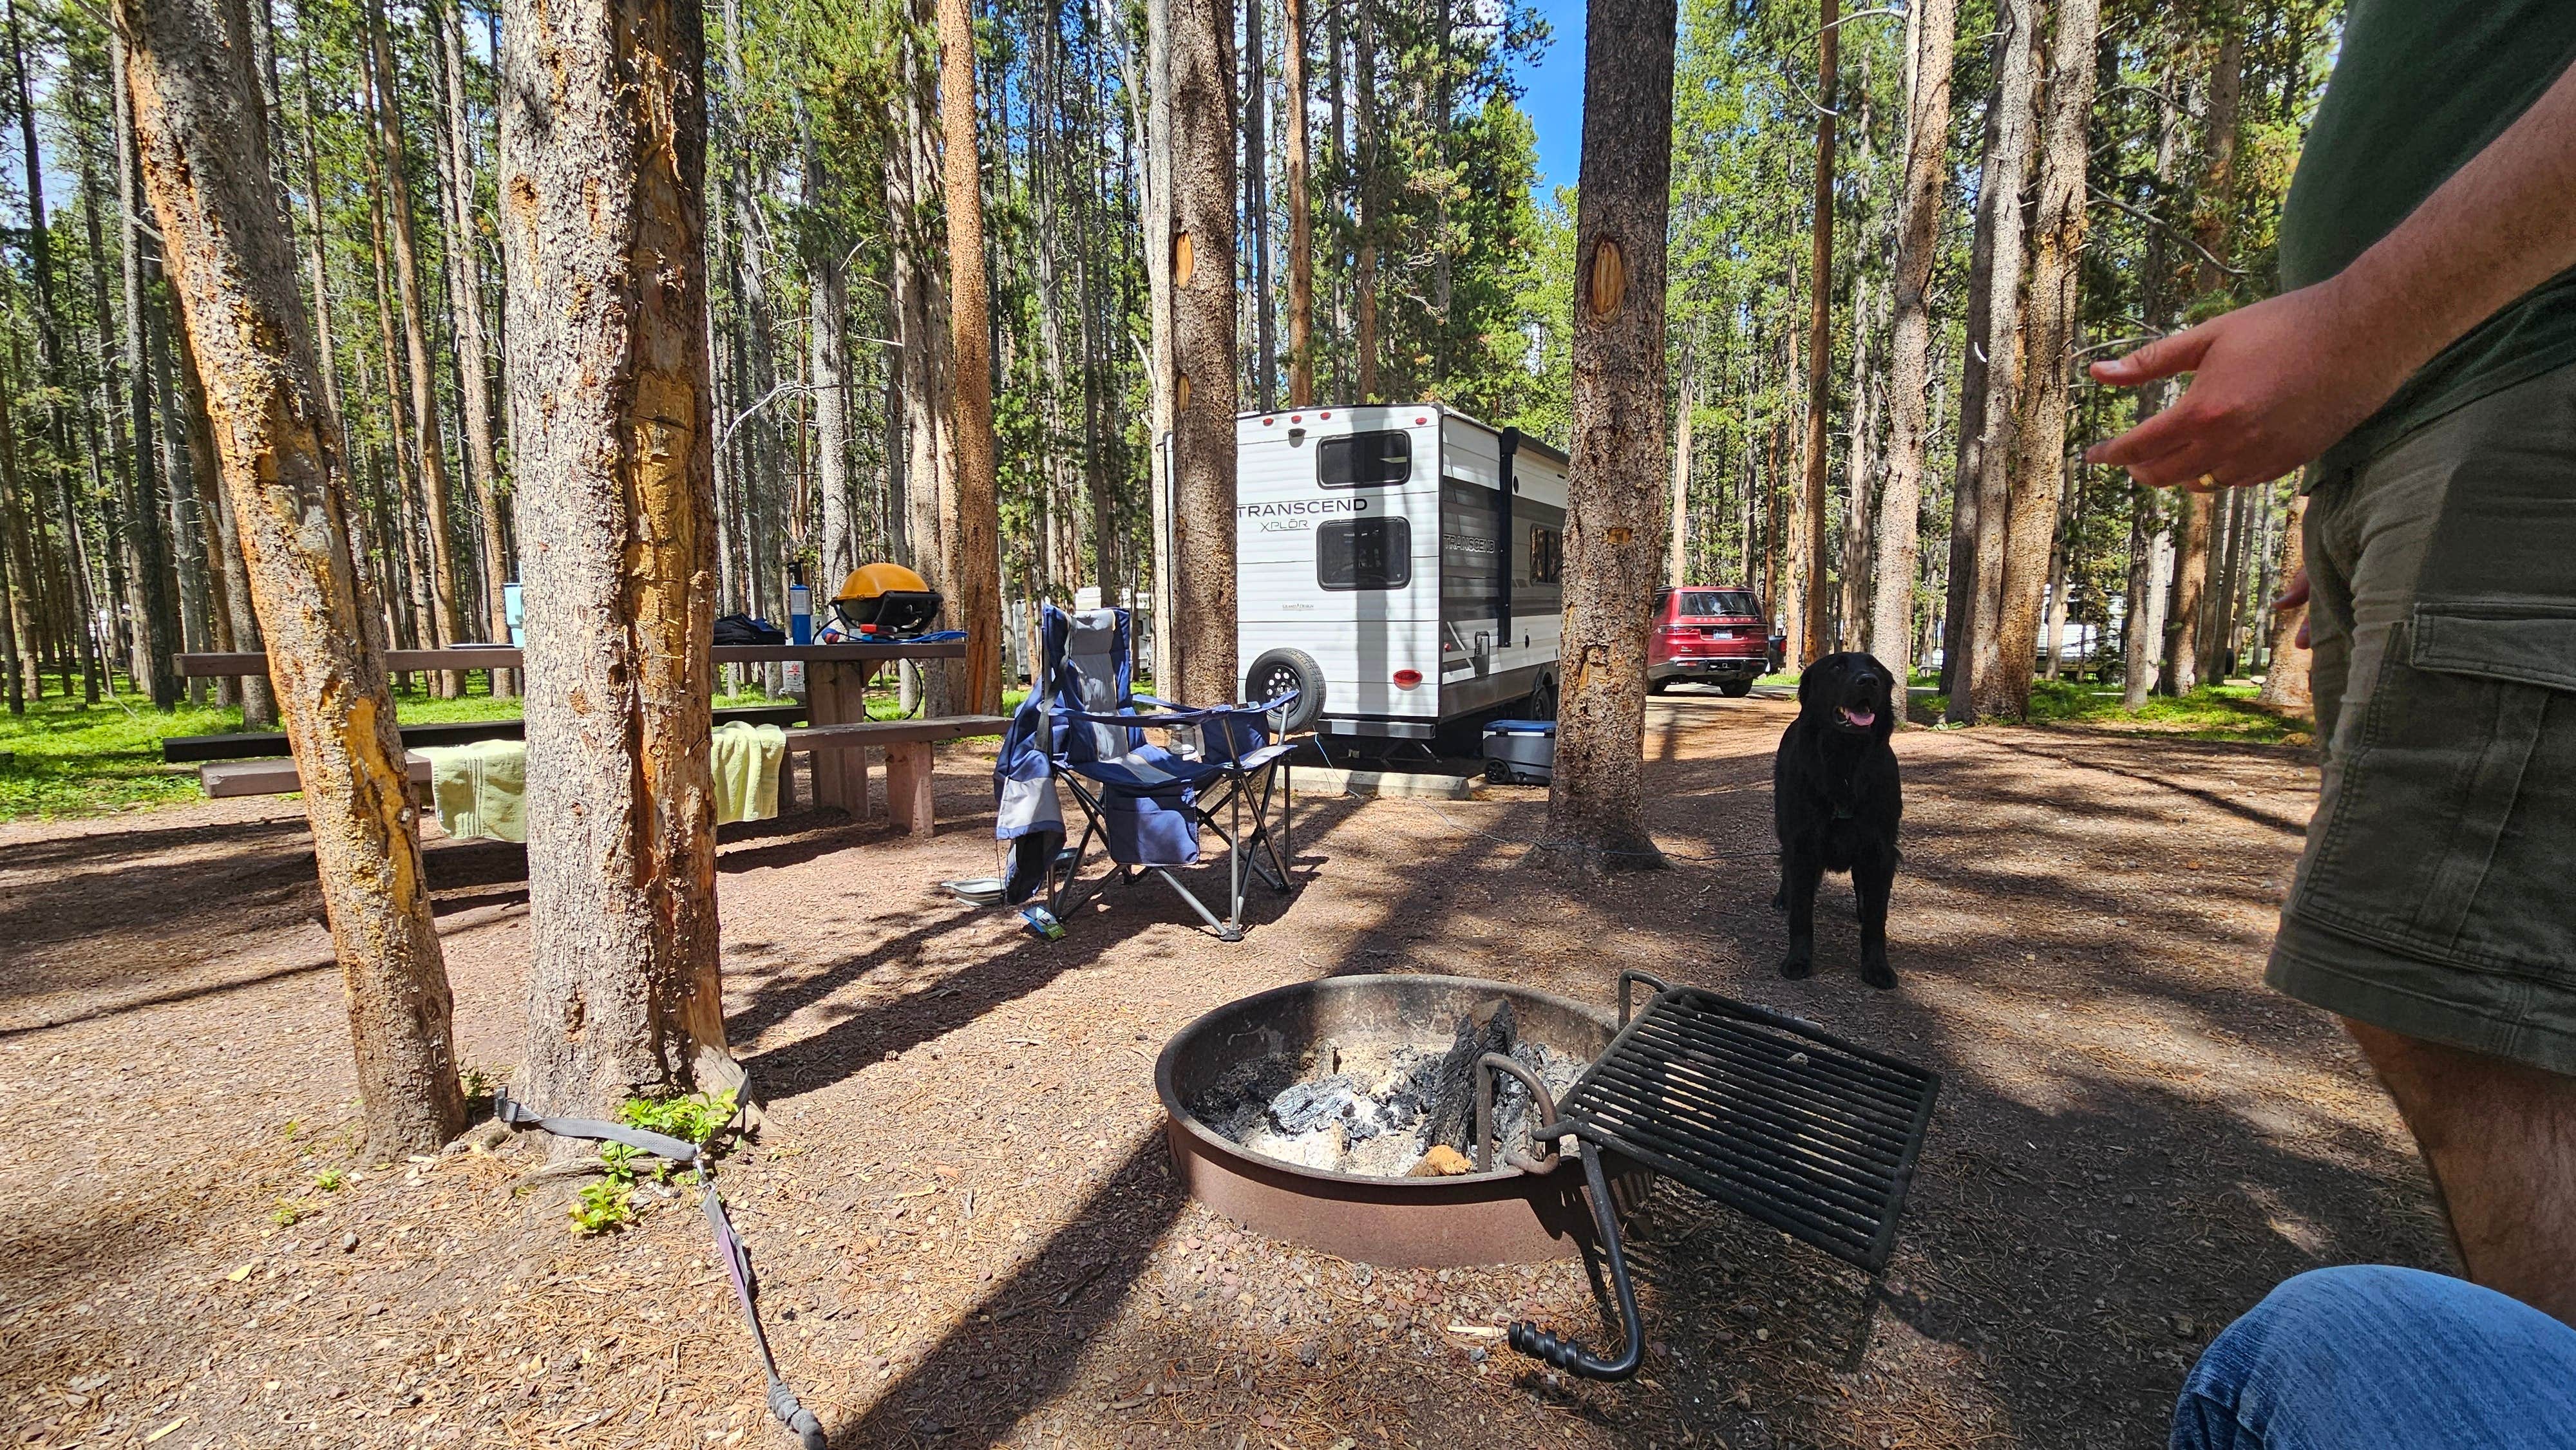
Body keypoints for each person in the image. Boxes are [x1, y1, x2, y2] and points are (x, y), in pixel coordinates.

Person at [2087, 0, 2576, 1336]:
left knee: (2469, 1013)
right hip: (2424, 431)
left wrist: (2356, 327)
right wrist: (2356, 457)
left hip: (2522, 398)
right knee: (2446, 1003)